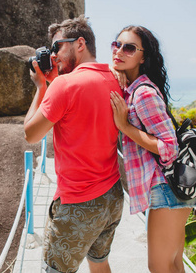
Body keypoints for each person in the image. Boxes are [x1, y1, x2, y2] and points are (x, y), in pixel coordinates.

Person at [24, 15, 124, 273]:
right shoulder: (114, 78)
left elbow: (31, 134)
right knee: (99, 262)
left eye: (57, 47)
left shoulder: (64, 86)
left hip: (79, 202)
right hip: (112, 195)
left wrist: (41, 87)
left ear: (80, 44)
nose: (53, 55)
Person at [109, 25, 196, 273]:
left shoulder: (143, 94)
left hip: (166, 189)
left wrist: (125, 127)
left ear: (143, 57)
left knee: (159, 267)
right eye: (116, 45)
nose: (119, 51)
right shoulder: (133, 89)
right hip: (169, 188)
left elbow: (168, 148)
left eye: (129, 48)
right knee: (173, 264)